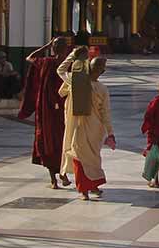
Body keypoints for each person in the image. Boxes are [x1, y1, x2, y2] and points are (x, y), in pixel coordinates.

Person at [58, 48, 114, 201]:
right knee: (82, 157)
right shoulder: (79, 82)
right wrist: (110, 132)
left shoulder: (88, 85)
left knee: (88, 158)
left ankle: (91, 187)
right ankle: (84, 189)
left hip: (92, 128)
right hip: (84, 126)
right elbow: (106, 113)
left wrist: (73, 55)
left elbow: (60, 70)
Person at [19, 37, 70, 189]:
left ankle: (54, 179)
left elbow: (30, 57)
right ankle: (62, 174)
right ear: (65, 48)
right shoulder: (68, 64)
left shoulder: (46, 62)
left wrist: (45, 46)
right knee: (63, 139)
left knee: (47, 140)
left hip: (46, 108)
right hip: (63, 107)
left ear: (53, 48)